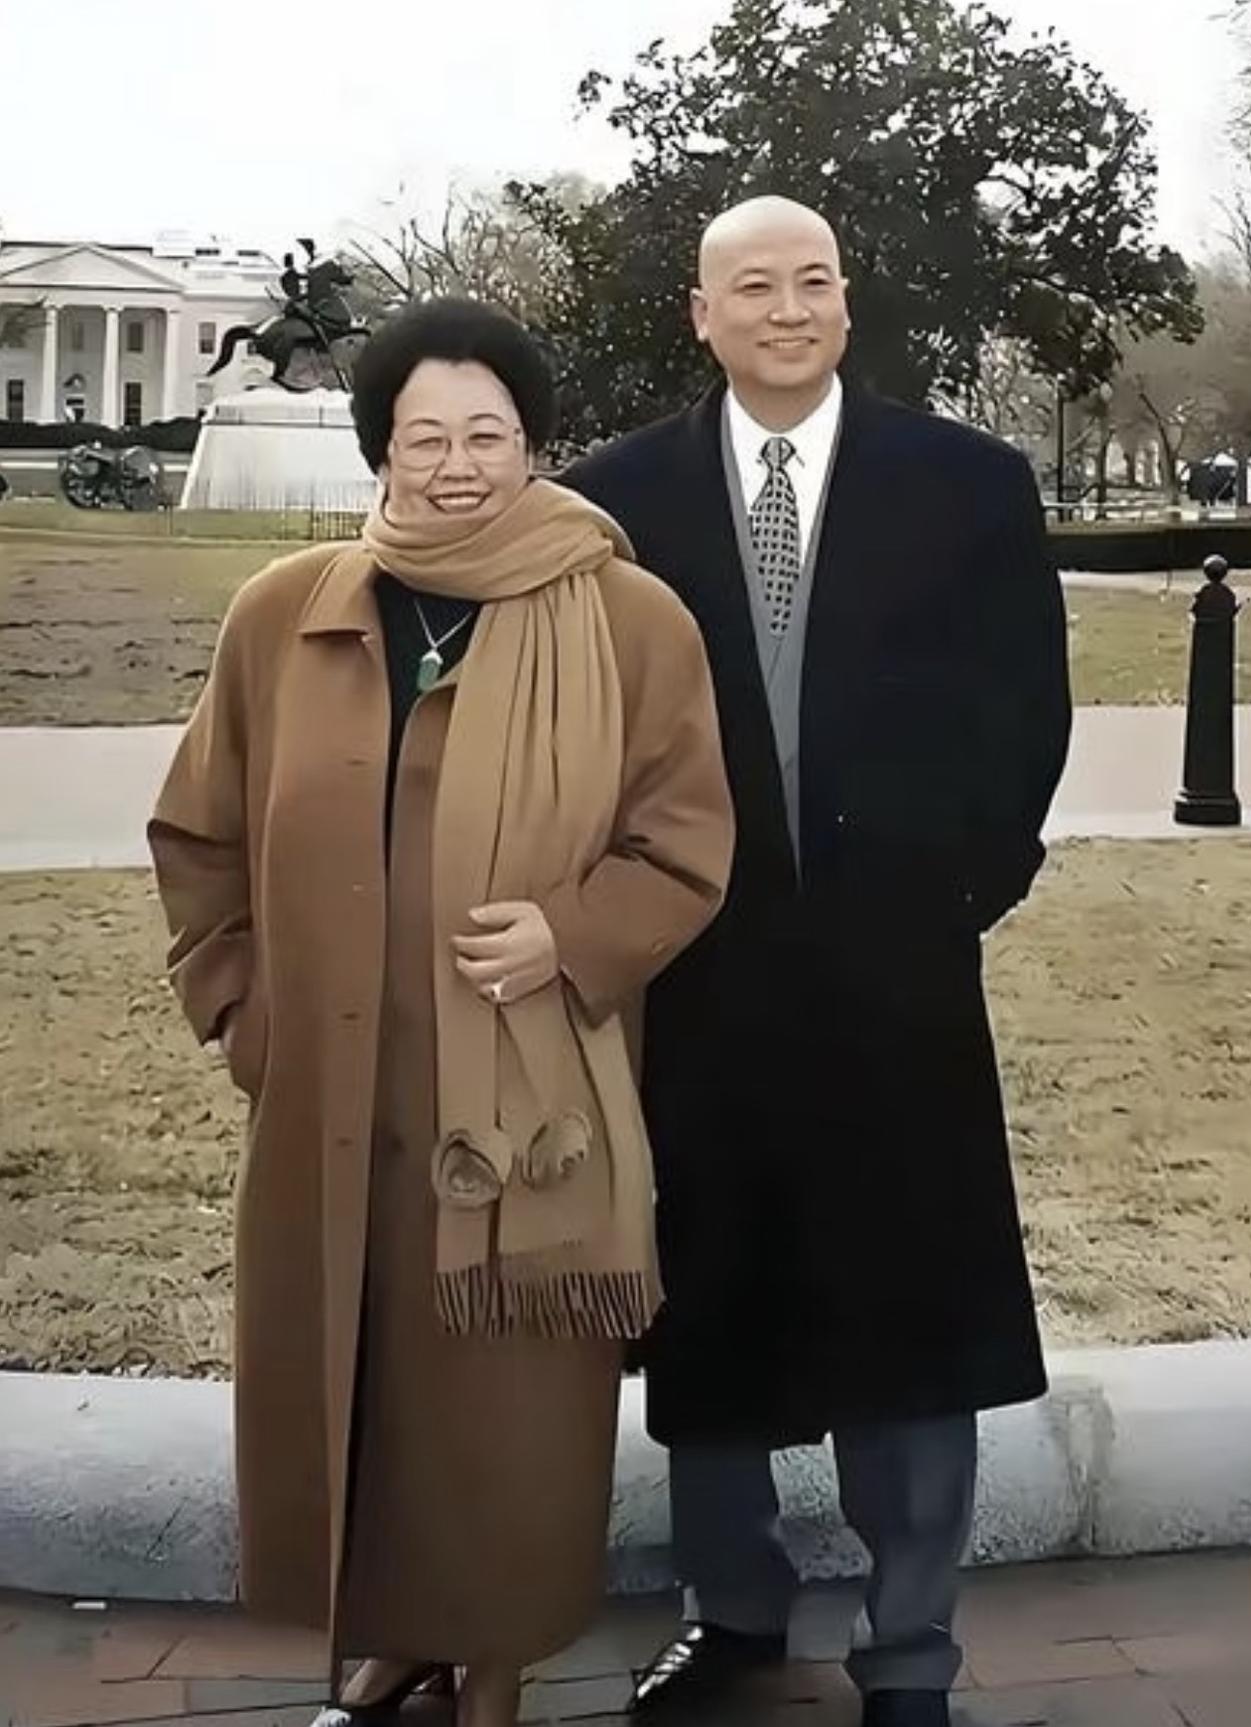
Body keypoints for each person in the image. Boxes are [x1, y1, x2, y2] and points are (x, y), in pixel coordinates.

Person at [148, 298, 734, 1727]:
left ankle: (498, 1654)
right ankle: (397, 1630)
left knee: (507, 1407)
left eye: (490, 433)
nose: (459, 464)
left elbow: (686, 842)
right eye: (427, 436)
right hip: (332, 1095)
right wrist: (244, 1017)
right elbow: (199, 835)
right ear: (381, 448)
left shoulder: (627, 615)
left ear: (533, 442)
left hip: (528, 1095)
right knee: (370, 1387)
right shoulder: (288, 613)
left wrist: (571, 934)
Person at [564, 197, 1071, 1727]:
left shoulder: (968, 483)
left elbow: (1024, 711)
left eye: (815, 282)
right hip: (701, 980)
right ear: (700, 314)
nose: (787, 309)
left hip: (901, 973)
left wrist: (954, 891)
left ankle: (911, 1646)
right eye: (752, 287)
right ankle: (733, 1614)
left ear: (847, 302)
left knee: (914, 1304)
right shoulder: (617, 500)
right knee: (713, 1299)